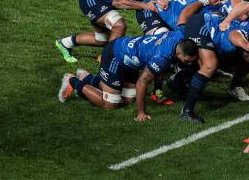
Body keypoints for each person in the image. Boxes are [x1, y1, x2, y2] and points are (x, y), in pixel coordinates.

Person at [57, 28, 199, 121]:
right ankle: (72, 80)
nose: (188, 64)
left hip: (130, 56)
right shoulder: (162, 57)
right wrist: (141, 112)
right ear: (179, 53)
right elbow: (142, 82)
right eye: (187, 60)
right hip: (115, 55)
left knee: (127, 99)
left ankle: (86, 77)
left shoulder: (179, 35)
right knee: (110, 103)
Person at [55, 0, 166, 63]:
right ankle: (109, 59)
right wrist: (144, 5)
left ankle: (65, 43)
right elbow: (117, 2)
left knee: (103, 40)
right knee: (119, 26)